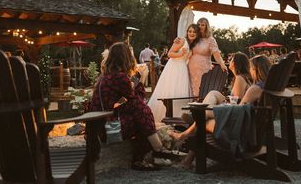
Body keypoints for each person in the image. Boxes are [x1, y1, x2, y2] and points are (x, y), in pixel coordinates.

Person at [169, 54, 272, 168]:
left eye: (252, 68)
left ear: (256, 69)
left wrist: (222, 109)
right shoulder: (267, 87)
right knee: (204, 115)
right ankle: (187, 158)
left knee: (202, 123)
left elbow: (239, 110)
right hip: (252, 129)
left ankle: (186, 133)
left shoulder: (255, 88)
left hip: (241, 132)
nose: (250, 71)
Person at [89, 42, 168, 171]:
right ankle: (154, 152)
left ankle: (152, 154)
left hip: (100, 126)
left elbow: (119, 102)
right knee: (142, 112)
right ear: (126, 58)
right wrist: (141, 80)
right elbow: (137, 101)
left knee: (141, 112)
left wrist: (132, 87)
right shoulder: (120, 77)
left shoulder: (105, 76)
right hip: (111, 129)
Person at [147, 24, 200, 124]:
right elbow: (170, 53)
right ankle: (164, 117)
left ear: (197, 34)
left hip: (183, 69)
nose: (191, 33)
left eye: (194, 32)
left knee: (180, 92)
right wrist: (180, 54)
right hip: (174, 67)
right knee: (170, 90)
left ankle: (179, 118)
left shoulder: (192, 44)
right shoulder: (181, 40)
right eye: (190, 31)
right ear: (187, 32)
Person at [188, 17, 228, 97]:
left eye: (203, 25)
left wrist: (222, 64)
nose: (200, 26)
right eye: (198, 24)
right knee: (191, 87)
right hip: (191, 67)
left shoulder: (211, 40)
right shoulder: (195, 38)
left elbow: (216, 54)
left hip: (204, 68)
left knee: (203, 87)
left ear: (207, 27)